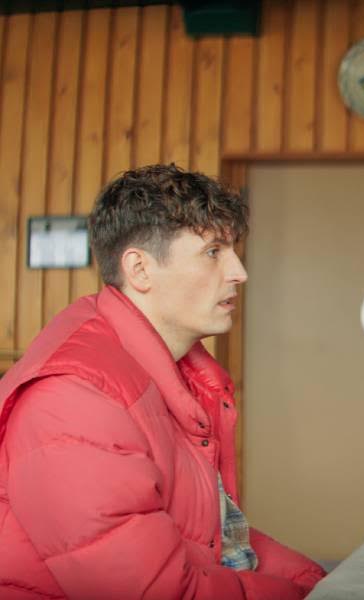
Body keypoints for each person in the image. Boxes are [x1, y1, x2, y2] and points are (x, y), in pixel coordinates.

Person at [0, 165, 326, 598]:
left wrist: (319, 583)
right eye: (213, 252)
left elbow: (215, 536)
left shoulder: (174, 370)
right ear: (140, 269)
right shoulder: (74, 399)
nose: (239, 271)